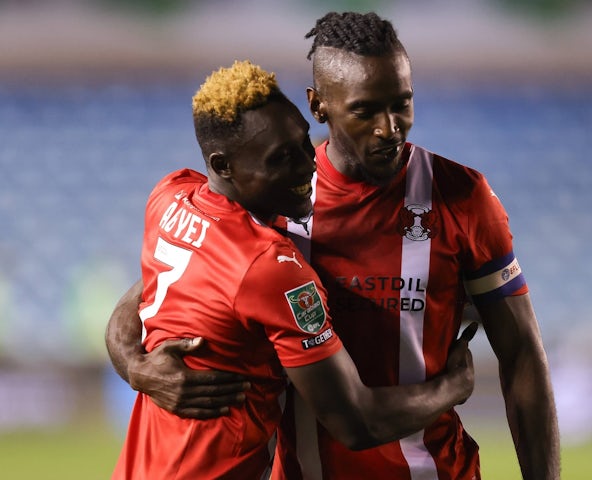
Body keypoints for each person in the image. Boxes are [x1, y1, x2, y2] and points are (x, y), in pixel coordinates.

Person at [106, 11, 561, 480]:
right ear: (319, 106)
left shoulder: (463, 198)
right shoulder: (275, 194)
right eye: (365, 110)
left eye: (402, 104)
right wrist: (137, 367)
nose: (390, 128)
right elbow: (153, 289)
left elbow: (523, 351)